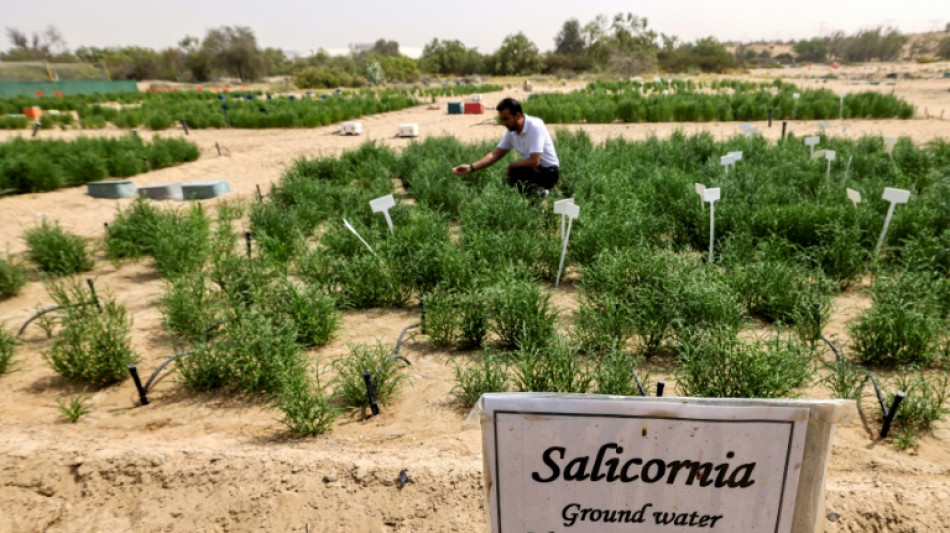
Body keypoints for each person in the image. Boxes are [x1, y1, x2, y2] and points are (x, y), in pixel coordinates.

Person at [452, 98, 559, 196]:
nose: (504, 123)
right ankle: (534, 196)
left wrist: (512, 165)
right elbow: (494, 155)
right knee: (514, 177)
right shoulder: (511, 132)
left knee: (517, 170)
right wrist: (471, 167)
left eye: (506, 119)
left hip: (549, 172)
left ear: (517, 116)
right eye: (502, 120)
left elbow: (534, 161)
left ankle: (539, 194)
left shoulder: (535, 126)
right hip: (534, 170)